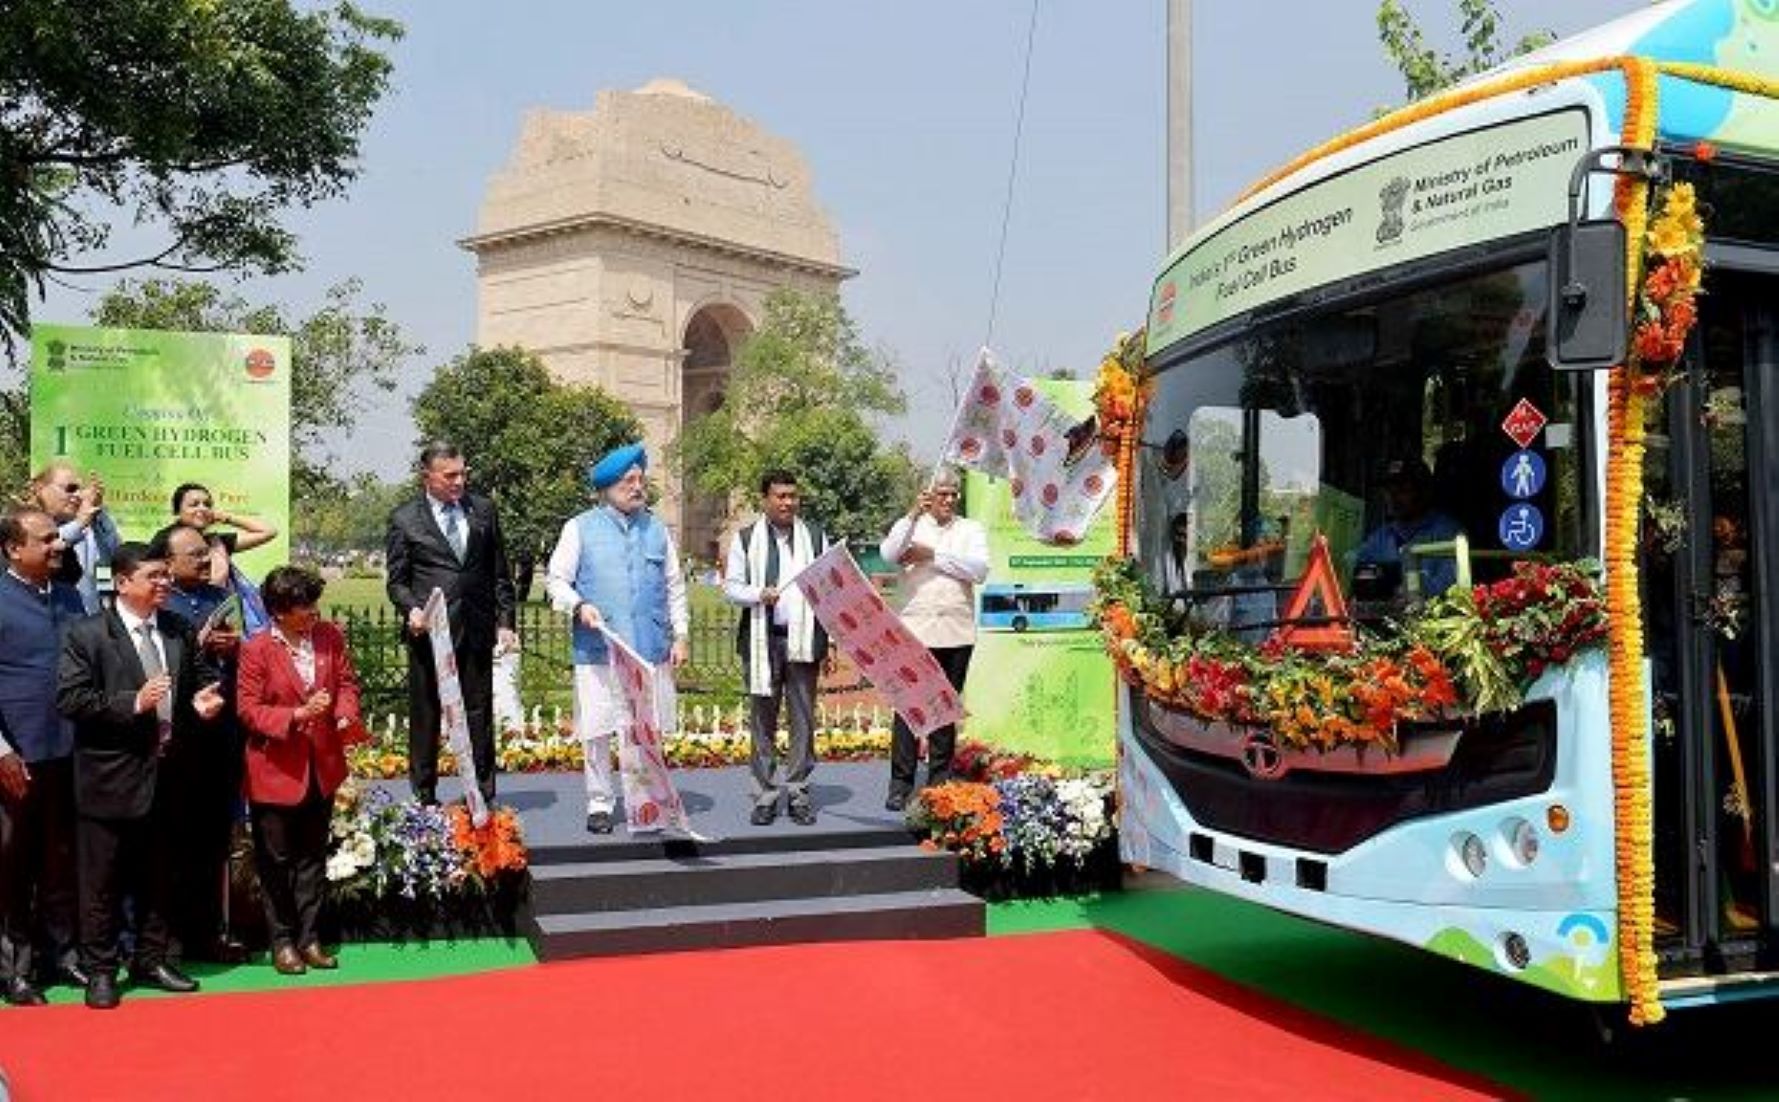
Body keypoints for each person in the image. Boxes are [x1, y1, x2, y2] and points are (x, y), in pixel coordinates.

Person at [57, 542, 225, 1009]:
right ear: (123, 581)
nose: (164, 583)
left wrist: (201, 703)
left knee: (159, 877)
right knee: (101, 883)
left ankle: (151, 958)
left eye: (165, 575)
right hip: (109, 778)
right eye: (153, 576)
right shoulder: (88, 634)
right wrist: (131, 702)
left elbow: (201, 678)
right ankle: (102, 971)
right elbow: (71, 701)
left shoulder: (177, 629)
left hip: (169, 777)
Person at [544, 443, 688, 834]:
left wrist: (681, 637)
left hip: (648, 648)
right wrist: (579, 605)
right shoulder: (579, 528)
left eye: (641, 479)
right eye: (629, 481)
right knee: (598, 728)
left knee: (646, 726)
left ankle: (646, 801)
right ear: (607, 487)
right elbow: (556, 580)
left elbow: (675, 586)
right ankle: (600, 802)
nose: (637, 487)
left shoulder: (657, 529)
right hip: (598, 650)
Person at [234, 566, 364, 976]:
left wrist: (344, 714)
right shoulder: (257, 649)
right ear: (278, 612)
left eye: (313, 603)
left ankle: (310, 938)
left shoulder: (328, 636)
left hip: (321, 767)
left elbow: (346, 683)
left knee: (312, 857)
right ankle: (282, 940)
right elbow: (248, 709)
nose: (313, 612)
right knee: (276, 860)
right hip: (274, 770)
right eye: (303, 606)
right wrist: (296, 715)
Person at [385, 442, 517, 806]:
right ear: (427, 476)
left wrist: (505, 621)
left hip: (475, 627)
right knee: (426, 712)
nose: (460, 481)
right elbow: (397, 581)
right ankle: (425, 795)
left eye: (463, 473)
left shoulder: (484, 511)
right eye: (451, 475)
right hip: (429, 633)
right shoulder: (404, 518)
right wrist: (411, 609)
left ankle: (483, 793)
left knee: (479, 712)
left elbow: (499, 573)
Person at [0, 510, 89, 1005]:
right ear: (14, 549)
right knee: (12, 864)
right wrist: (3, 751)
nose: (58, 545)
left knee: (61, 858)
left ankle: (64, 956)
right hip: (17, 757)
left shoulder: (71, 596)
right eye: (48, 538)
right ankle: (15, 968)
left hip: (69, 752)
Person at [151, 523, 248, 964]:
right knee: (171, 841)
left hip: (221, 732)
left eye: (207, 553)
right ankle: (164, 942)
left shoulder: (217, 598)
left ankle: (208, 932)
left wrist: (235, 647)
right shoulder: (158, 602)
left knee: (213, 838)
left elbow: (249, 655)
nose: (207, 560)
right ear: (167, 563)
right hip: (176, 739)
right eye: (195, 555)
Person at [723, 470, 832, 827]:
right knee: (762, 721)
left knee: (802, 720)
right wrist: (759, 594)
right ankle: (766, 794)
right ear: (764, 500)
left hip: (803, 640)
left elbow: (828, 591)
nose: (787, 502)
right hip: (762, 637)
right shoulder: (745, 538)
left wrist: (827, 640)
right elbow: (732, 588)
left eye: (792, 496)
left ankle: (798, 792)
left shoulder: (815, 537)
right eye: (780, 496)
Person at [877, 469, 989, 811]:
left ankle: (939, 780)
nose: (949, 499)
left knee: (943, 711)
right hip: (916, 631)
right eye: (942, 493)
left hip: (956, 631)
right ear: (927, 494)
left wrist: (932, 556)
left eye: (954, 493)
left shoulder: (970, 529)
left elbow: (979, 569)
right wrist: (912, 515)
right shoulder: (911, 526)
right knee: (908, 710)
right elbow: (889, 553)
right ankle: (900, 784)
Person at [1354, 457, 1465, 599]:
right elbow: (1354, 567)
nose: (1393, 498)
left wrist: (1406, 589)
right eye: (1388, 491)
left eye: (1402, 490)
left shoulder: (1449, 532)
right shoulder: (1381, 537)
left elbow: (1451, 588)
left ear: (1424, 491)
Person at [25, 462, 119, 614]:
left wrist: (98, 514)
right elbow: (43, 546)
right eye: (70, 489)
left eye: (79, 490)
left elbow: (108, 563)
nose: (77, 495)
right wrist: (79, 523)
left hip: (91, 619)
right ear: (40, 488)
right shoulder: (23, 520)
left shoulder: (87, 526)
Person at [164, 483, 280, 588]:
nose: (202, 508)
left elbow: (269, 531)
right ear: (177, 511)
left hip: (217, 607)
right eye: (194, 504)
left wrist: (226, 517)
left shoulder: (216, 543)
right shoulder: (165, 539)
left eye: (207, 505)